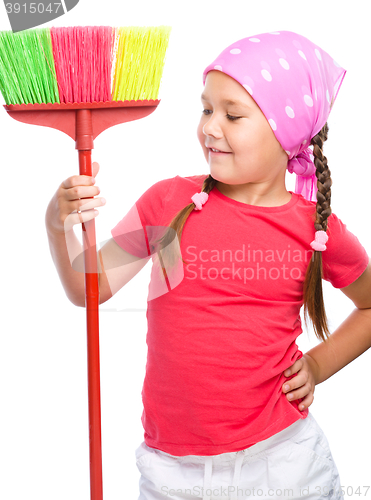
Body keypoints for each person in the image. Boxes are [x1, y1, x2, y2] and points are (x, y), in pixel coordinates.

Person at [45, 30, 371, 500]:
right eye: (206, 109)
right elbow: (88, 289)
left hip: (281, 465)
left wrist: (318, 365)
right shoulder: (168, 201)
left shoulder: (315, 229)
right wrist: (58, 228)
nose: (210, 127)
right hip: (172, 471)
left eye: (233, 115)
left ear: (290, 131)